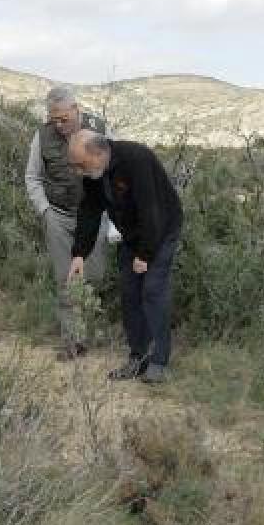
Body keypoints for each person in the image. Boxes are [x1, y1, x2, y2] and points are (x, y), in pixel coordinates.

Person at [67, 129, 183, 384]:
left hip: (161, 230)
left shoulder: (136, 159)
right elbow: (89, 212)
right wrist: (79, 254)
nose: (77, 171)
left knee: (152, 289)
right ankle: (137, 358)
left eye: (80, 164)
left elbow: (151, 210)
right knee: (130, 292)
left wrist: (145, 254)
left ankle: (159, 362)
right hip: (130, 234)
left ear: (97, 154)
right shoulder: (94, 174)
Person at [25, 87, 112, 360]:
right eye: (55, 119)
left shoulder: (100, 130)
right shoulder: (42, 136)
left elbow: (114, 170)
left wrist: (113, 214)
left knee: (94, 274)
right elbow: (33, 177)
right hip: (58, 215)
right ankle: (73, 341)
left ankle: (90, 329)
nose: (60, 125)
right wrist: (45, 211)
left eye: (65, 118)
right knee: (65, 277)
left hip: (94, 216)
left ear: (77, 110)